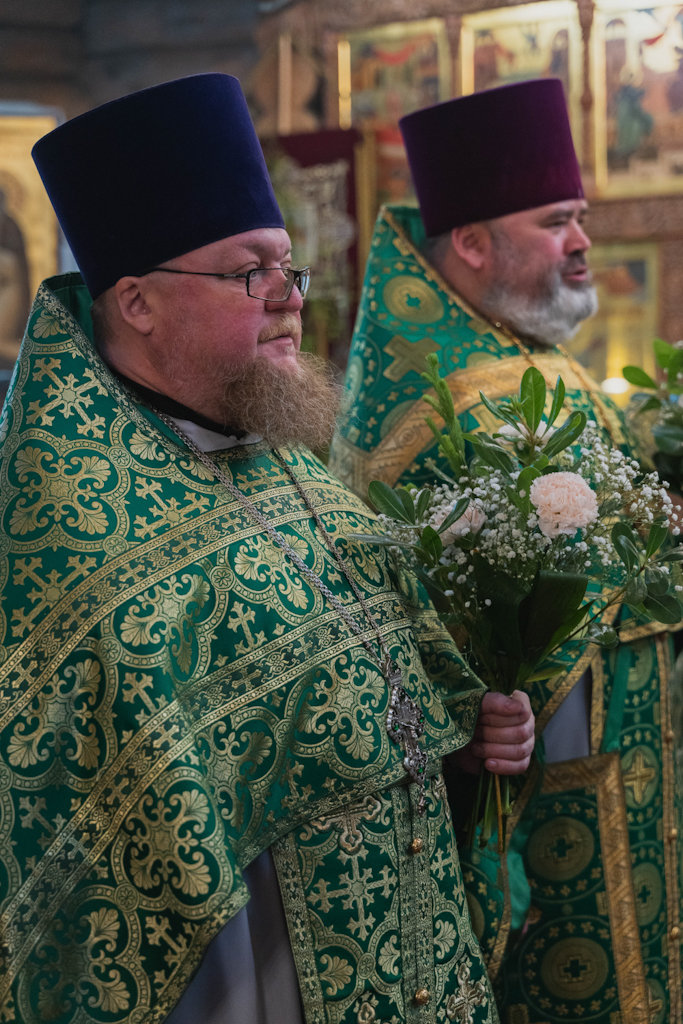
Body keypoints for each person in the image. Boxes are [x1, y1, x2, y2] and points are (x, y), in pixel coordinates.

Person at [0, 74, 535, 1024]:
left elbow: (385, 708)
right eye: (251, 272)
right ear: (138, 302)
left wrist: (466, 735)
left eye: (290, 266)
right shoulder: (77, 541)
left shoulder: (295, 473)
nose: (290, 298)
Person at [330, 79, 680, 1024]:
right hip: (540, 793)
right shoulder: (422, 400)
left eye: (580, 217)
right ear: (474, 244)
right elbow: (395, 619)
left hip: (636, 758)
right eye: (555, 221)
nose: (582, 241)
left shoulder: (542, 358)